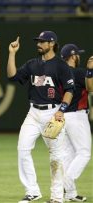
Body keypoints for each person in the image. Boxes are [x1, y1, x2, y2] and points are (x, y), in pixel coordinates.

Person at [7, 31, 75, 203]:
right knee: (22, 149)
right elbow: (12, 76)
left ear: (52, 44)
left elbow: (69, 90)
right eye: (38, 41)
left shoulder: (60, 65)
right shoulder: (32, 64)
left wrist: (62, 110)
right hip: (33, 112)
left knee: (56, 155)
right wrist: (12, 54)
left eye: (42, 41)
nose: (39, 44)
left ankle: (57, 197)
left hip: (53, 112)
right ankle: (32, 191)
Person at [60, 44, 92, 202]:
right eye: (77, 54)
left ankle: (70, 194)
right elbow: (91, 88)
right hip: (77, 117)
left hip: (62, 116)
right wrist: (90, 71)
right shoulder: (79, 73)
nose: (79, 56)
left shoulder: (59, 72)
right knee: (84, 153)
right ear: (73, 56)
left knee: (68, 154)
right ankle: (67, 180)